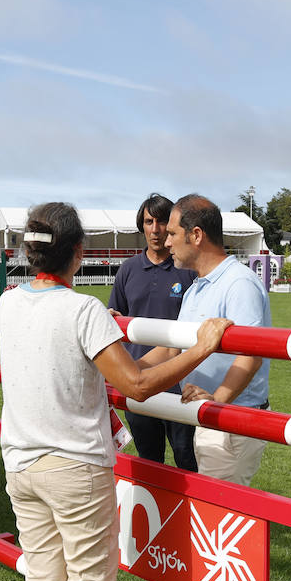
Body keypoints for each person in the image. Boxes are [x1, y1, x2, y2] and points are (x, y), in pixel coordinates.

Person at [0, 201, 231, 581]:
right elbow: (137, 383)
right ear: (79, 252)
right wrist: (201, 348)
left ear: (28, 251)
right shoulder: (83, 310)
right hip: (73, 467)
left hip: (21, 463)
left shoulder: (11, 303)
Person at [142, 194, 273, 581]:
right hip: (209, 417)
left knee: (225, 518)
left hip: (232, 420)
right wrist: (129, 372)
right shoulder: (197, 286)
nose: (166, 242)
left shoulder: (237, 284)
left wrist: (217, 401)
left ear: (197, 235)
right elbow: (175, 348)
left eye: (174, 233)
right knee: (216, 516)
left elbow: (252, 351)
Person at [107, 193, 198, 471]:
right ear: (142, 226)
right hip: (139, 380)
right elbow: (115, 318)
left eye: (161, 222)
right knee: (149, 460)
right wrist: (110, 318)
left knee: (186, 456)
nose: (155, 229)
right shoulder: (128, 270)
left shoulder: (187, 270)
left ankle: (189, 515)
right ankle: (155, 515)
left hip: (179, 382)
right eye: (149, 221)